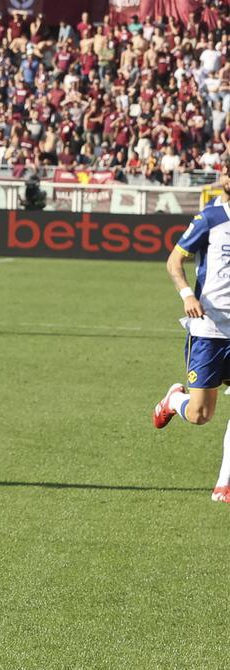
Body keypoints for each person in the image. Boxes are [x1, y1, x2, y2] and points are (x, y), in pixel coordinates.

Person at [153, 154, 230, 503]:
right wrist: (186, 294)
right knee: (201, 415)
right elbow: (174, 260)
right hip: (209, 329)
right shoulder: (210, 217)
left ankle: (223, 484)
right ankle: (174, 399)